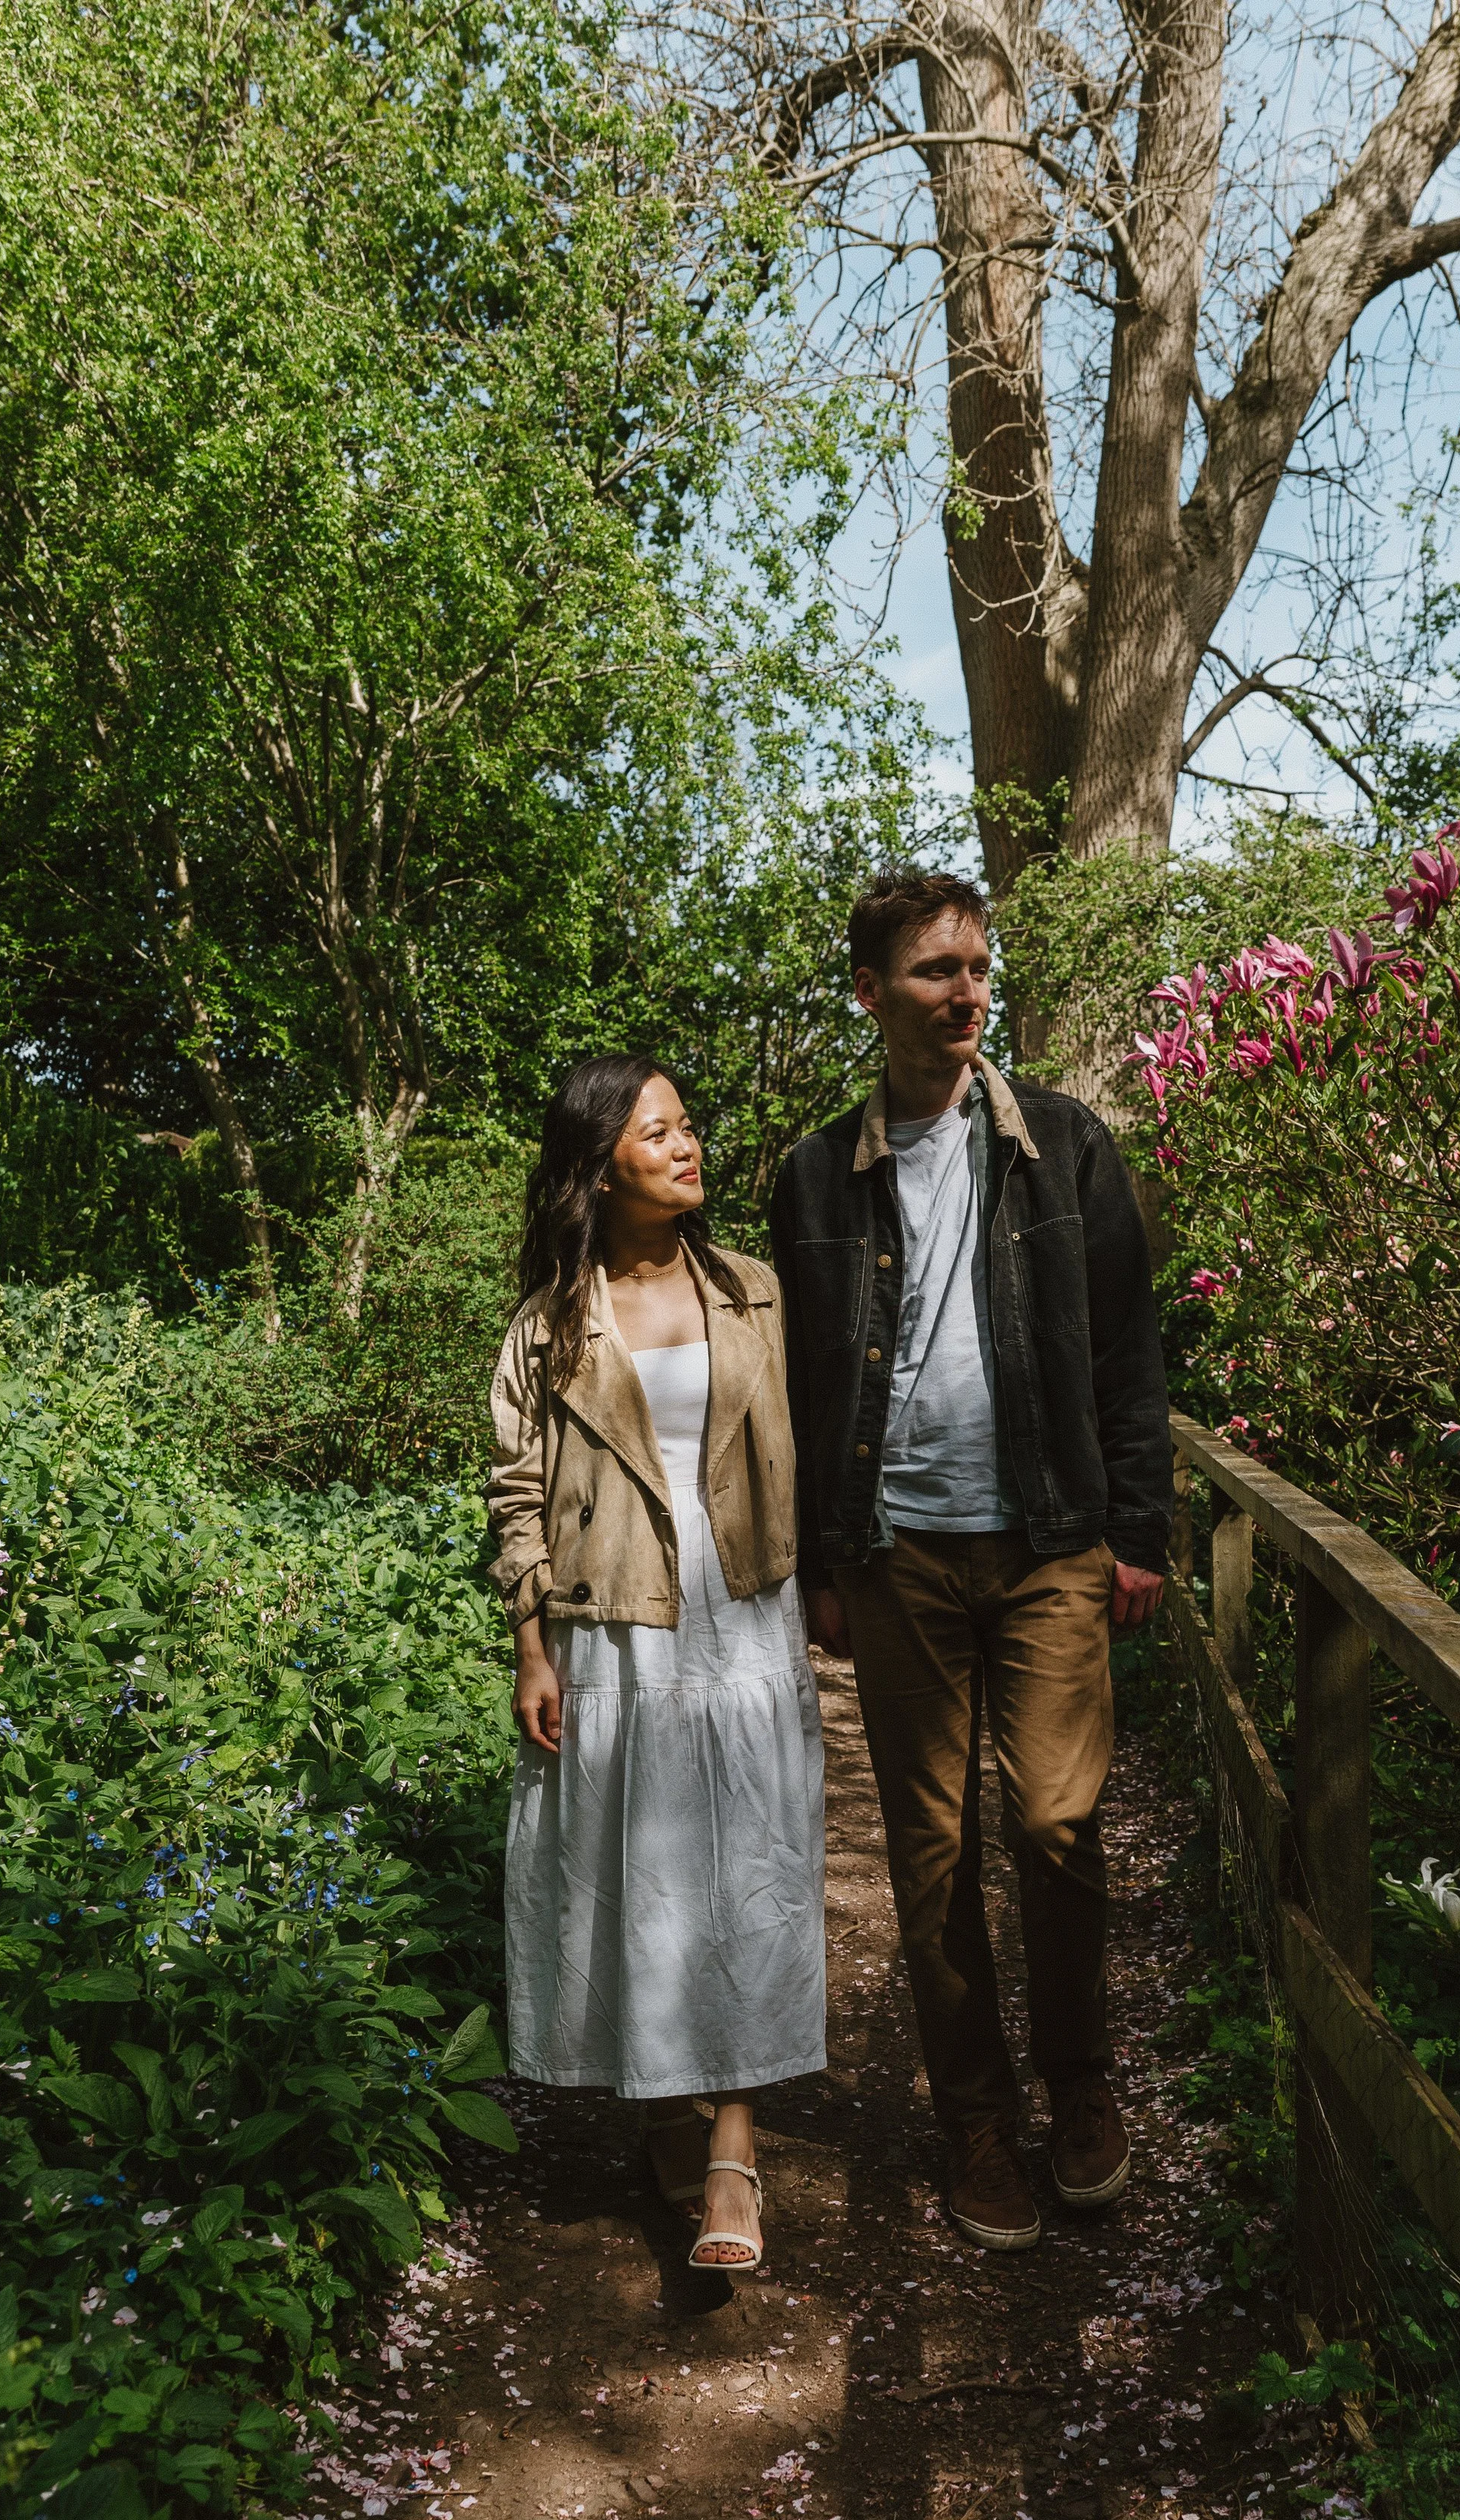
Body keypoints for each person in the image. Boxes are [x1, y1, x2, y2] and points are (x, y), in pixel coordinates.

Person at [770, 873, 1171, 2253]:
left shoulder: (1065, 1146)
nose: (967, 992)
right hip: (898, 1561)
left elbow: (1127, 1354)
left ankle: (1083, 2083)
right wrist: (824, 1560)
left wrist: (1142, 1530)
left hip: (1052, 1541)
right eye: (937, 970)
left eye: (980, 969)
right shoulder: (816, 1173)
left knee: (1058, 1826)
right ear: (874, 991)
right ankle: (977, 2123)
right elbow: (811, 1385)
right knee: (931, 1856)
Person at [487, 1054, 826, 2273]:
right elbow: (515, 1489)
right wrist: (530, 1643)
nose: (687, 1146)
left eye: (687, 1125)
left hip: (741, 1608)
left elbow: (817, 1439)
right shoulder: (548, 1325)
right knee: (638, 1861)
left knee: (748, 1856)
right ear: (597, 1164)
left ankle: (732, 2149)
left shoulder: (757, 1293)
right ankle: (664, 2106)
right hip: (609, 1616)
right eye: (657, 1131)